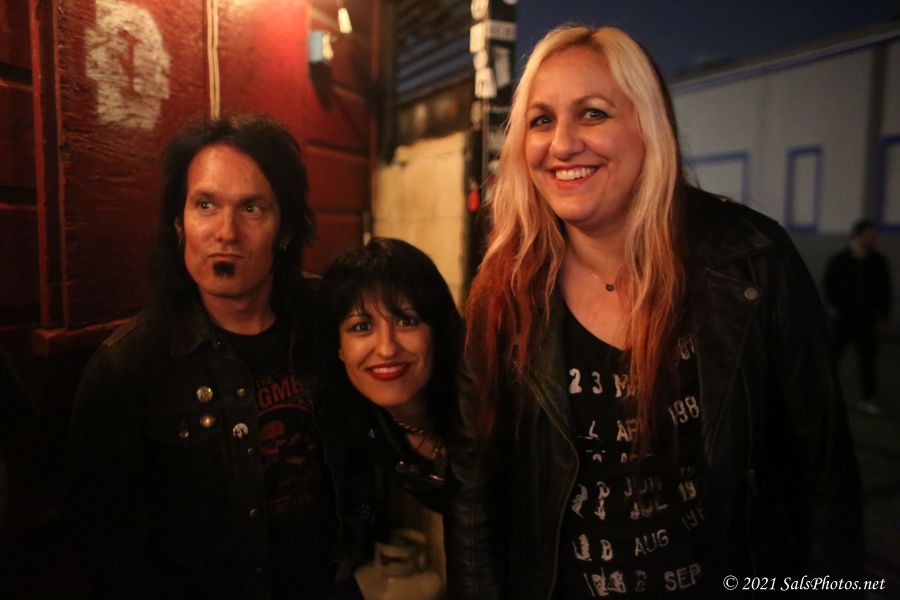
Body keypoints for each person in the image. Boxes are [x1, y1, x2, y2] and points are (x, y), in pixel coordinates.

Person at [445, 26, 863, 599]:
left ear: (650, 125)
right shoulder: (504, 287)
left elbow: (824, 479)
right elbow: (473, 488)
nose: (561, 144)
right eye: (541, 120)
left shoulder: (753, 262)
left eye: (593, 114)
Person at [67, 114, 370, 599]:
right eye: (205, 204)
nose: (226, 232)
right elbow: (107, 544)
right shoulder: (127, 366)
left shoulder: (327, 319)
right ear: (179, 224)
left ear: (285, 230)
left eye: (251, 208)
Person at [322, 237, 461, 515]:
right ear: (339, 348)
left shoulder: (490, 409)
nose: (386, 349)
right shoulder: (363, 426)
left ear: (436, 334)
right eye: (361, 327)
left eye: (406, 321)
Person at [824, 219, 892, 413]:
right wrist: (835, 308)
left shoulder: (877, 261)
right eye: (870, 235)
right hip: (844, 318)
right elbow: (829, 285)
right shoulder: (841, 260)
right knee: (832, 357)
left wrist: (883, 317)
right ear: (858, 235)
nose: (874, 239)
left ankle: (867, 397)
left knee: (867, 360)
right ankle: (823, 395)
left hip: (867, 319)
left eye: (874, 236)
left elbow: (884, 291)